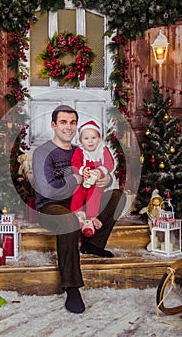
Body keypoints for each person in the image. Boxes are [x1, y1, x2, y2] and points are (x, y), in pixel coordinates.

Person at [32, 105, 126, 314]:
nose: (69, 127)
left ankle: (93, 243)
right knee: (68, 220)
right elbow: (47, 189)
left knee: (118, 196)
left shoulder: (80, 150)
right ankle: (72, 286)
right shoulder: (43, 152)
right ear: (53, 125)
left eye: (72, 122)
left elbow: (102, 167)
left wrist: (105, 178)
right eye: (63, 122)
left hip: (81, 202)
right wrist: (75, 178)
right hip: (51, 206)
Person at [70, 120, 115, 237]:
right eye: (86, 138)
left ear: (99, 139)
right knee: (78, 192)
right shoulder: (80, 151)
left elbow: (110, 163)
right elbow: (74, 164)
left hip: (96, 180)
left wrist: (100, 171)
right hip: (83, 179)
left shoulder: (103, 150)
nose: (90, 141)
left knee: (95, 193)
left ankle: (91, 217)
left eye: (93, 138)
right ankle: (78, 214)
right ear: (81, 141)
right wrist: (82, 170)